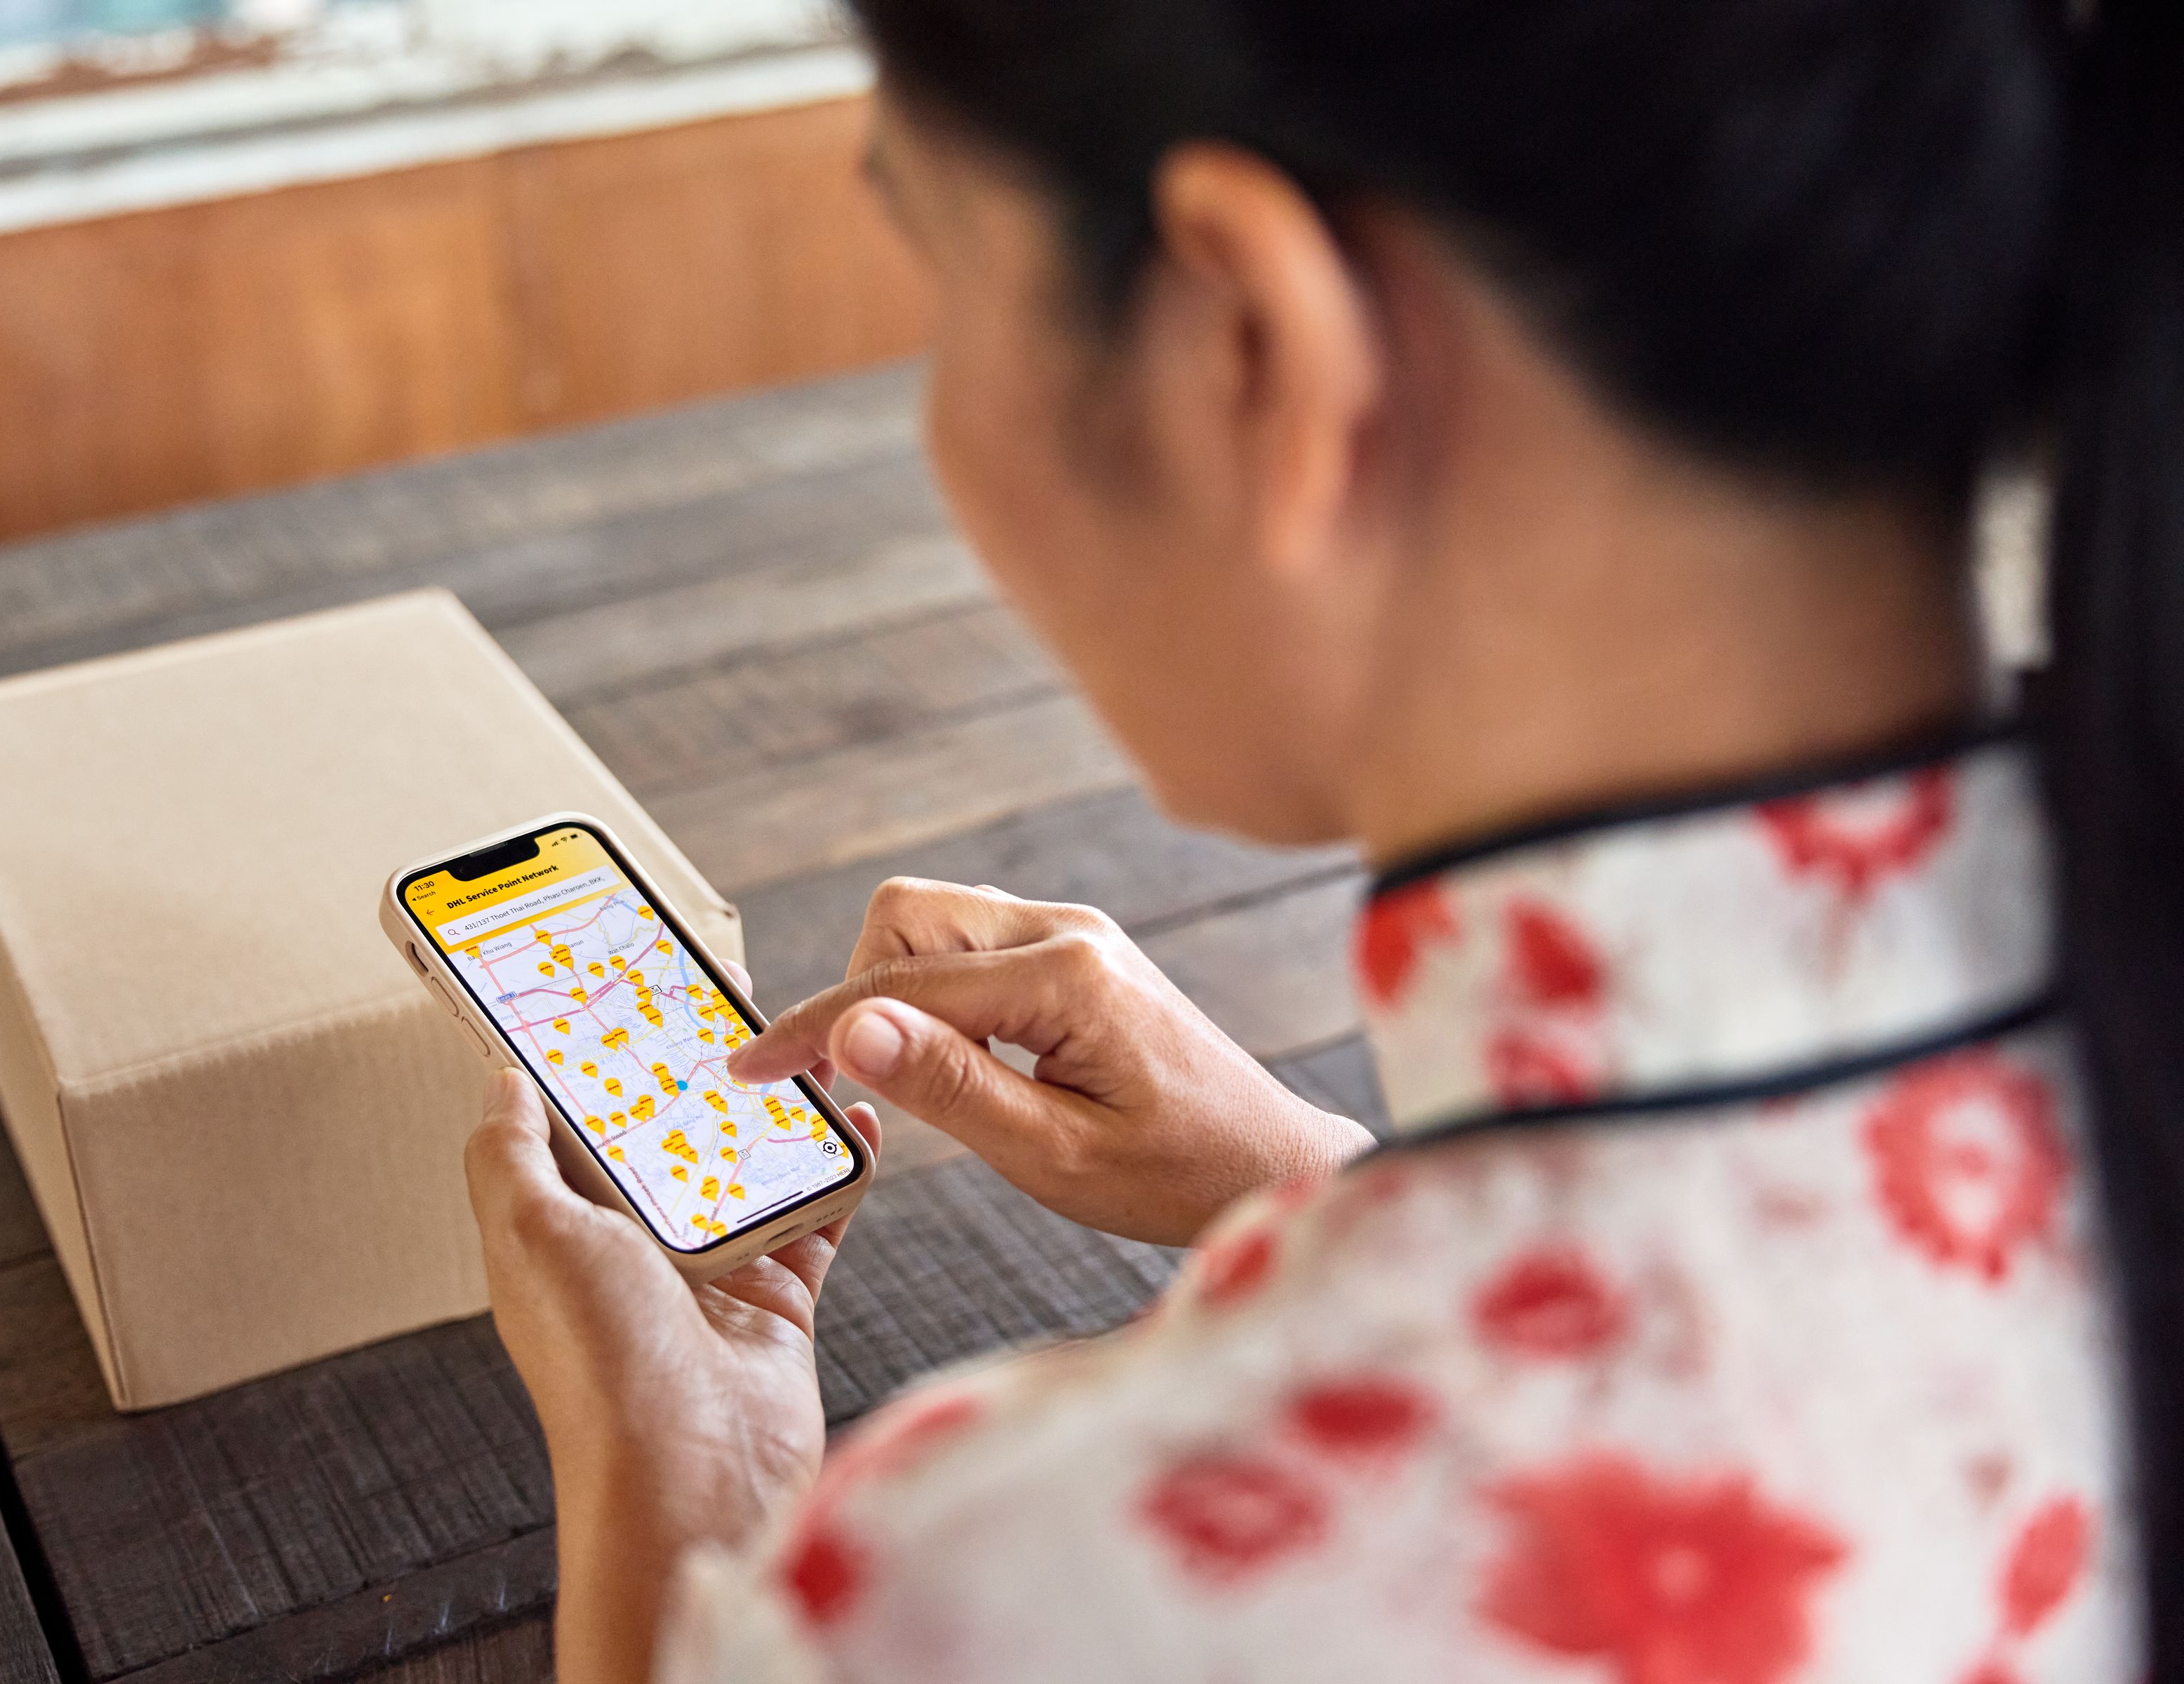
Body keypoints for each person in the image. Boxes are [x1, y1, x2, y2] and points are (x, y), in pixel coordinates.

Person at [460, 0, 2183, 1677]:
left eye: (945, 283)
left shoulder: (1009, 1595)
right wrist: (1300, 1183)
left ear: (1255, 345)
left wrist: (689, 1484)